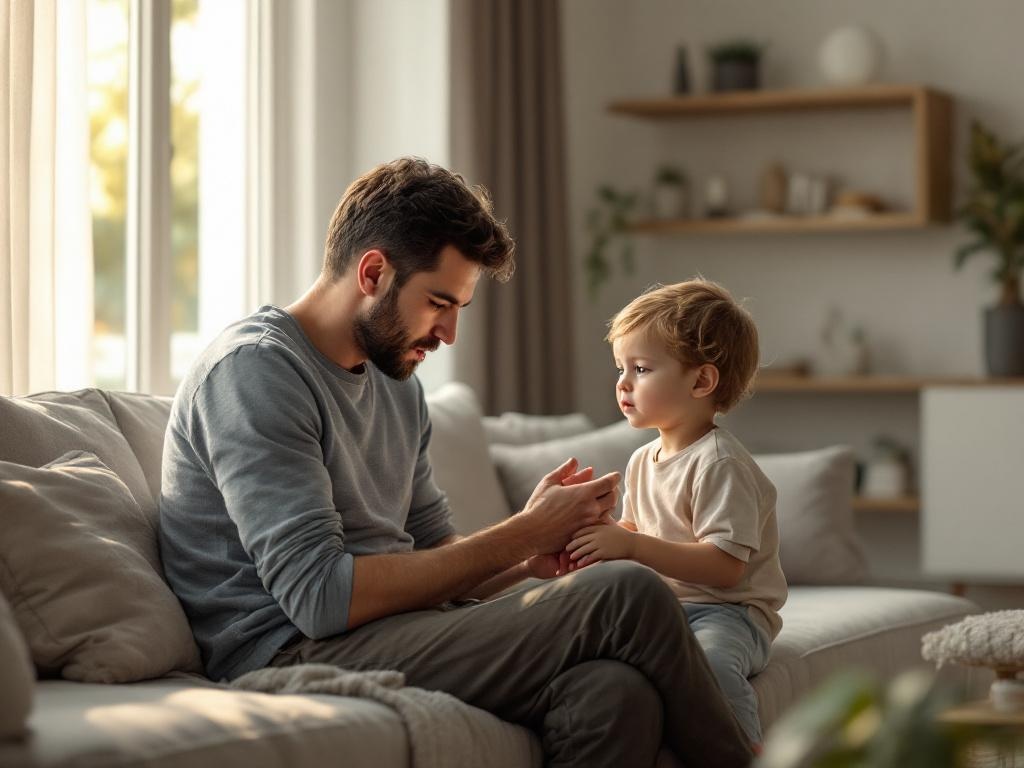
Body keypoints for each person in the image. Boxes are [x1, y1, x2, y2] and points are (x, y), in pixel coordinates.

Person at [159, 158, 752, 767]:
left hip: (391, 628)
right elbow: (319, 598)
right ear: (372, 272)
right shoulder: (256, 372)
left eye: (459, 307)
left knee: (612, 692)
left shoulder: (396, 383)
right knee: (625, 592)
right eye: (439, 302)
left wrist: (529, 559)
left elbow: (437, 552)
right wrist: (524, 530)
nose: (449, 333)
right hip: (289, 650)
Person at [567, 279, 788, 750]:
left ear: (701, 381)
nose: (623, 383)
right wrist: (602, 533)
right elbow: (638, 532)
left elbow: (725, 568)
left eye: (641, 368)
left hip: (729, 615)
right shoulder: (641, 460)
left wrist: (631, 545)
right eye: (620, 368)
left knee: (711, 667)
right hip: (663, 609)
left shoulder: (720, 463)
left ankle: (743, 751)